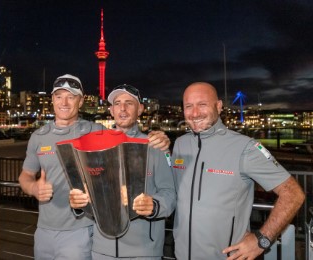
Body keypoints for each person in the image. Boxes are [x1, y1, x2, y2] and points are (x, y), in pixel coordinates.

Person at [18, 76, 170, 260]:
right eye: (59, 96)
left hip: (84, 232)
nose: (64, 102)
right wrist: (33, 187)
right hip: (54, 232)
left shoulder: (95, 132)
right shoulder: (39, 136)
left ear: (81, 101)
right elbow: (25, 175)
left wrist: (160, 138)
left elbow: (125, 133)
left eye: (71, 97)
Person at [171, 82, 305, 260]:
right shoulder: (180, 144)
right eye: (189, 106)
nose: (195, 113)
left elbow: (293, 194)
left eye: (202, 104)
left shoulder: (245, 147)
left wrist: (261, 240)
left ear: (218, 106)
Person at [70, 84, 176, 259]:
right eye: (117, 103)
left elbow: (170, 194)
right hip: (101, 250)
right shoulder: (95, 146)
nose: (123, 108)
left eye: (129, 103)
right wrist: (78, 203)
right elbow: (85, 191)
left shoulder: (155, 146)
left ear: (140, 109)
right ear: (111, 110)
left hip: (143, 252)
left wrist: (154, 205)